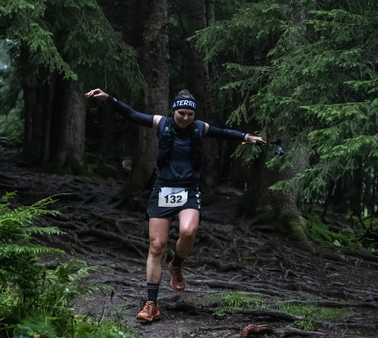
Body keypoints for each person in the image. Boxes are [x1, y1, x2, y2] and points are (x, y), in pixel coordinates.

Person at [85, 87, 264, 322]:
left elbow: (222, 132)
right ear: (174, 111)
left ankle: (176, 265)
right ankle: (151, 304)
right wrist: (110, 98)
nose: (186, 118)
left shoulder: (199, 128)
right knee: (157, 247)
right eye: (181, 114)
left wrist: (245, 137)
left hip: (189, 190)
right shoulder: (162, 123)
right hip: (163, 189)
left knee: (188, 232)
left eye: (190, 115)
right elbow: (132, 115)